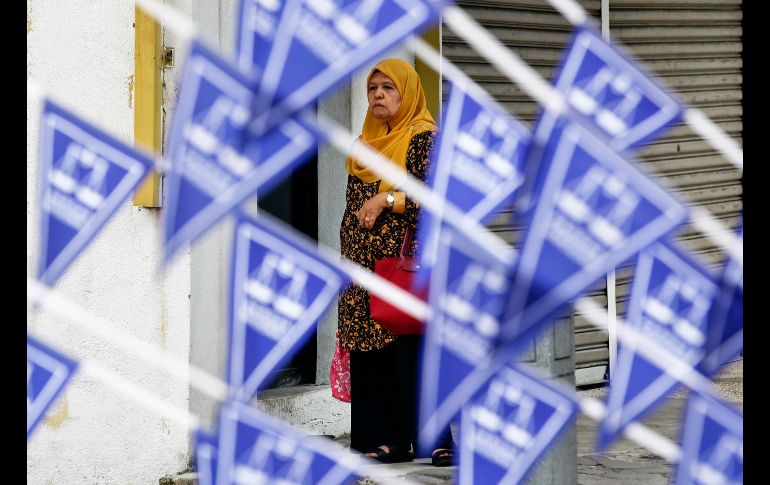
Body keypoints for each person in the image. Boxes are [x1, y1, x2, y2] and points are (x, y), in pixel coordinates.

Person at [336, 58, 454, 466]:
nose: (379, 96)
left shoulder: (423, 138)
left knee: (412, 351)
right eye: (373, 89)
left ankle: (435, 440)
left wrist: (389, 198)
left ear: (407, 93)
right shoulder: (363, 145)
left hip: (403, 267)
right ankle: (384, 440)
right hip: (361, 268)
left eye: (389, 88)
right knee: (372, 355)